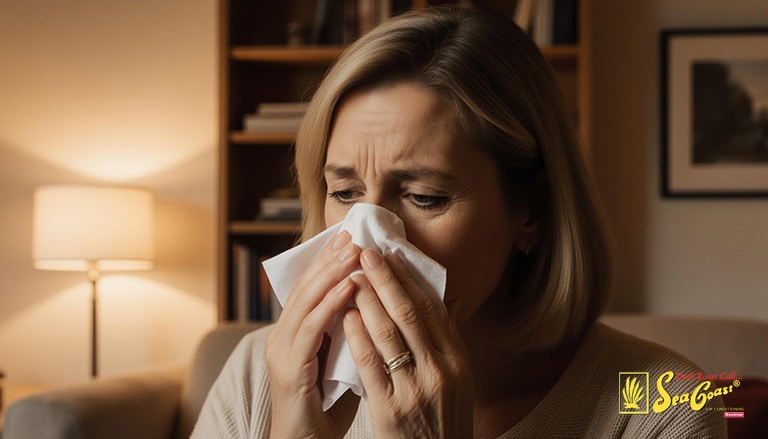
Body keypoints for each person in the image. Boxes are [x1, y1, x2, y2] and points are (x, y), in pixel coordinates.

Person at [193, 6, 726, 438]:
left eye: (424, 197)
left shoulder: (663, 402)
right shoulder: (259, 375)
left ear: (532, 213)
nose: (366, 240)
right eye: (345, 193)